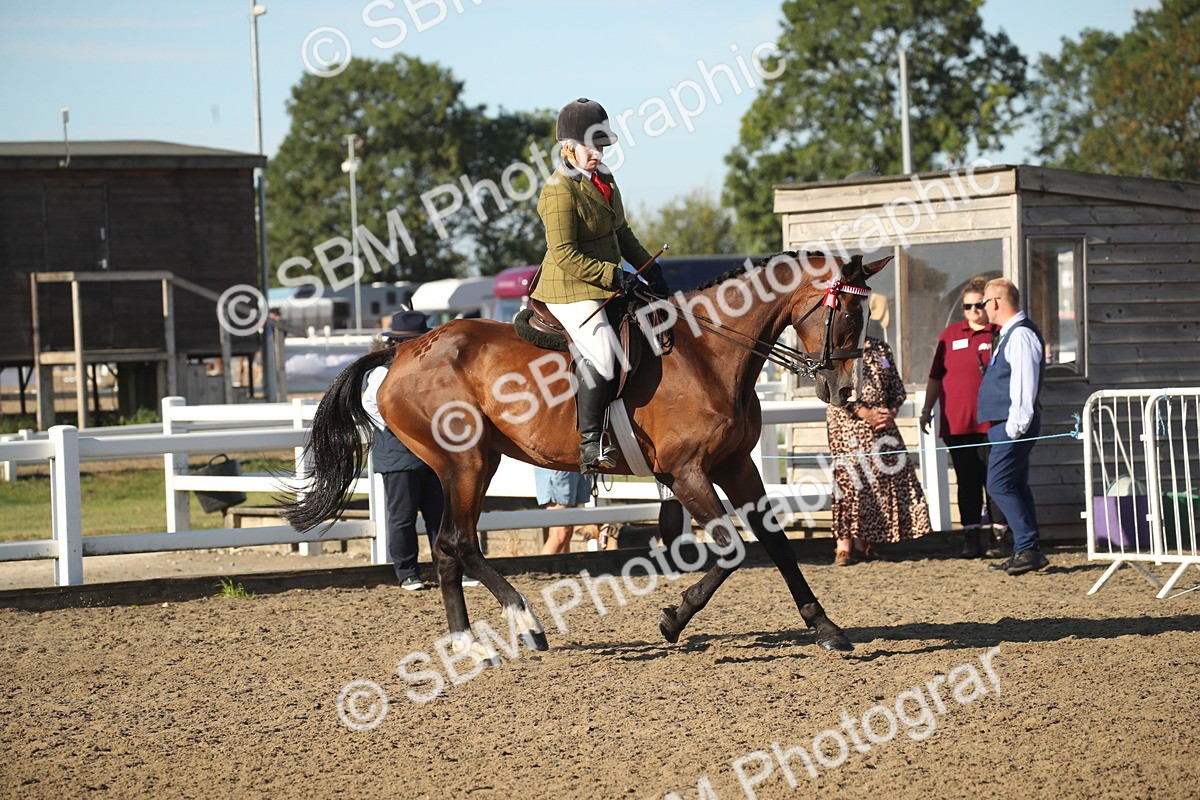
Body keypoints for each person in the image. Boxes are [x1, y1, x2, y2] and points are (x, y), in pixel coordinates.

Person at [531, 97, 669, 472]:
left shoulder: (604, 178)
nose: (598, 152)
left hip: (605, 283)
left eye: (602, 144)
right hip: (569, 288)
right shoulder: (558, 189)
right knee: (605, 351)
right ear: (568, 147)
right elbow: (564, 254)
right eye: (592, 145)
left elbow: (621, 231)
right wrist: (615, 275)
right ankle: (591, 443)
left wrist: (649, 268)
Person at [362, 311, 480, 590]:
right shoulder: (382, 372)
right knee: (402, 516)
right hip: (398, 453)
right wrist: (404, 427)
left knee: (440, 514)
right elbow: (371, 405)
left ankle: (452, 569)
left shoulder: (430, 371)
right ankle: (407, 572)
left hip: (431, 453)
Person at [827, 335, 932, 565]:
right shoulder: (836, 347)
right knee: (850, 481)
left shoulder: (880, 348)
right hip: (848, 426)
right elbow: (834, 388)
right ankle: (843, 545)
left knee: (884, 479)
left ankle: (863, 543)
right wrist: (866, 413)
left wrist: (890, 411)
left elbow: (897, 388)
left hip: (882, 428)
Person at [920, 278, 1006, 558]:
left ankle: (1000, 537)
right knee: (966, 481)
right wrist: (925, 410)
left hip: (992, 422)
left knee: (994, 480)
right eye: (966, 306)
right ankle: (971, 536)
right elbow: (935, 377)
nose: (972, 311)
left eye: (978, 305)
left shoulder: (1001, 333)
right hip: (957, 423)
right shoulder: (950, 334)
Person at [978, 278, 1048, 576]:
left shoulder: (1019, 335)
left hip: (1013, 424)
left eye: (983, 303)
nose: (982, 309)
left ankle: (1026, 547)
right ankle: (1028, 548)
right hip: (1006, 425)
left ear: (995, 302)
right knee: (1016, 485)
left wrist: (1015, 427)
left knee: (998, 485)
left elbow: (1024, 384)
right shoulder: (1010, 334)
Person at [534, 467, 592, 554]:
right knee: (560, 532)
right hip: (559, 463)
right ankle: (541, 567)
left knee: (567, 533)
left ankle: (561, 567)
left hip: (577, 462)